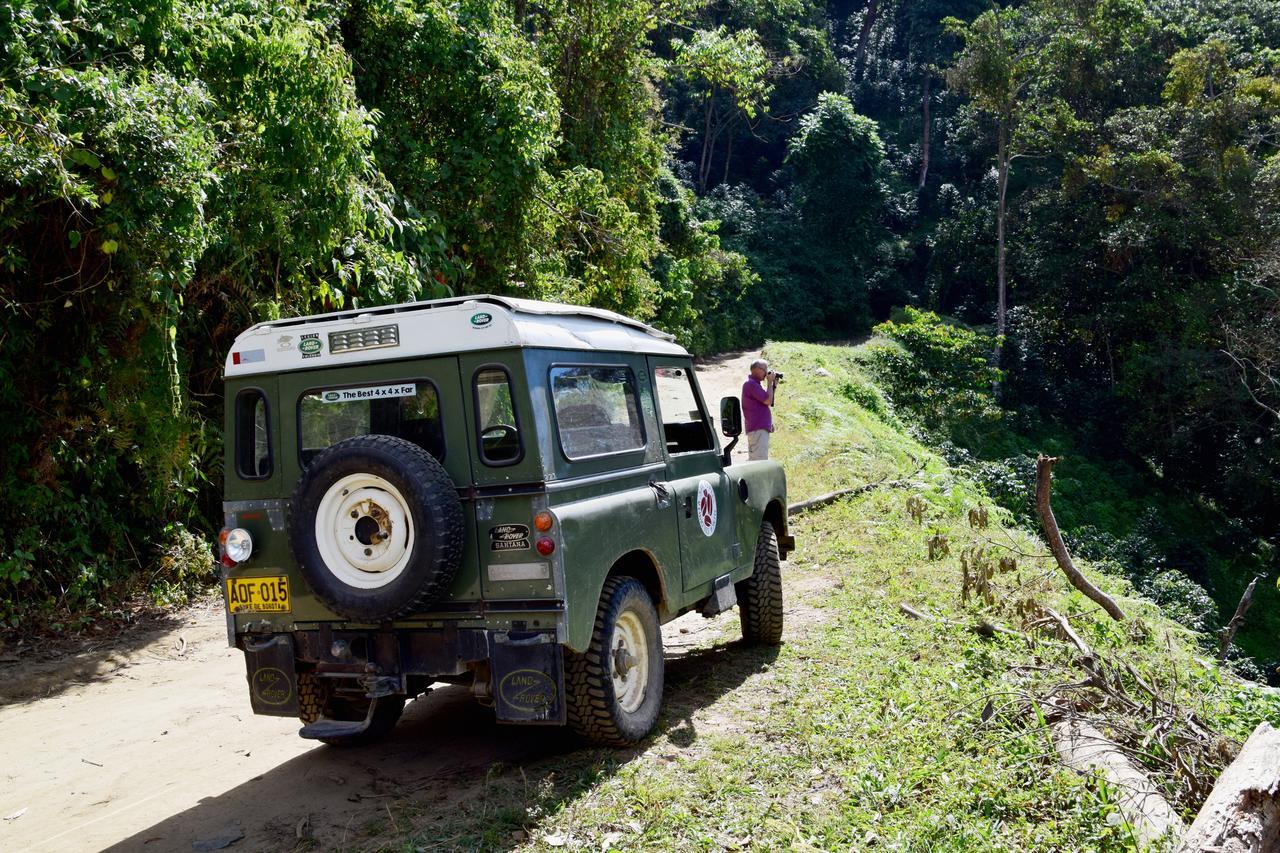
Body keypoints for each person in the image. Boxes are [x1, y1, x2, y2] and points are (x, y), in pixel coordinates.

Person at [741, 359, 778, 460]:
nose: (767, 373)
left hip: (759, 427)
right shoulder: (751, 384)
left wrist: (773, 386)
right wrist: (769, 382)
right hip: (758, 428)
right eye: (765, 369)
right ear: (756, 370)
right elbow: (768, 401)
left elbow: (767, 400)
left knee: (758, 459)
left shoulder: (755, 385)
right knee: (759, 461)